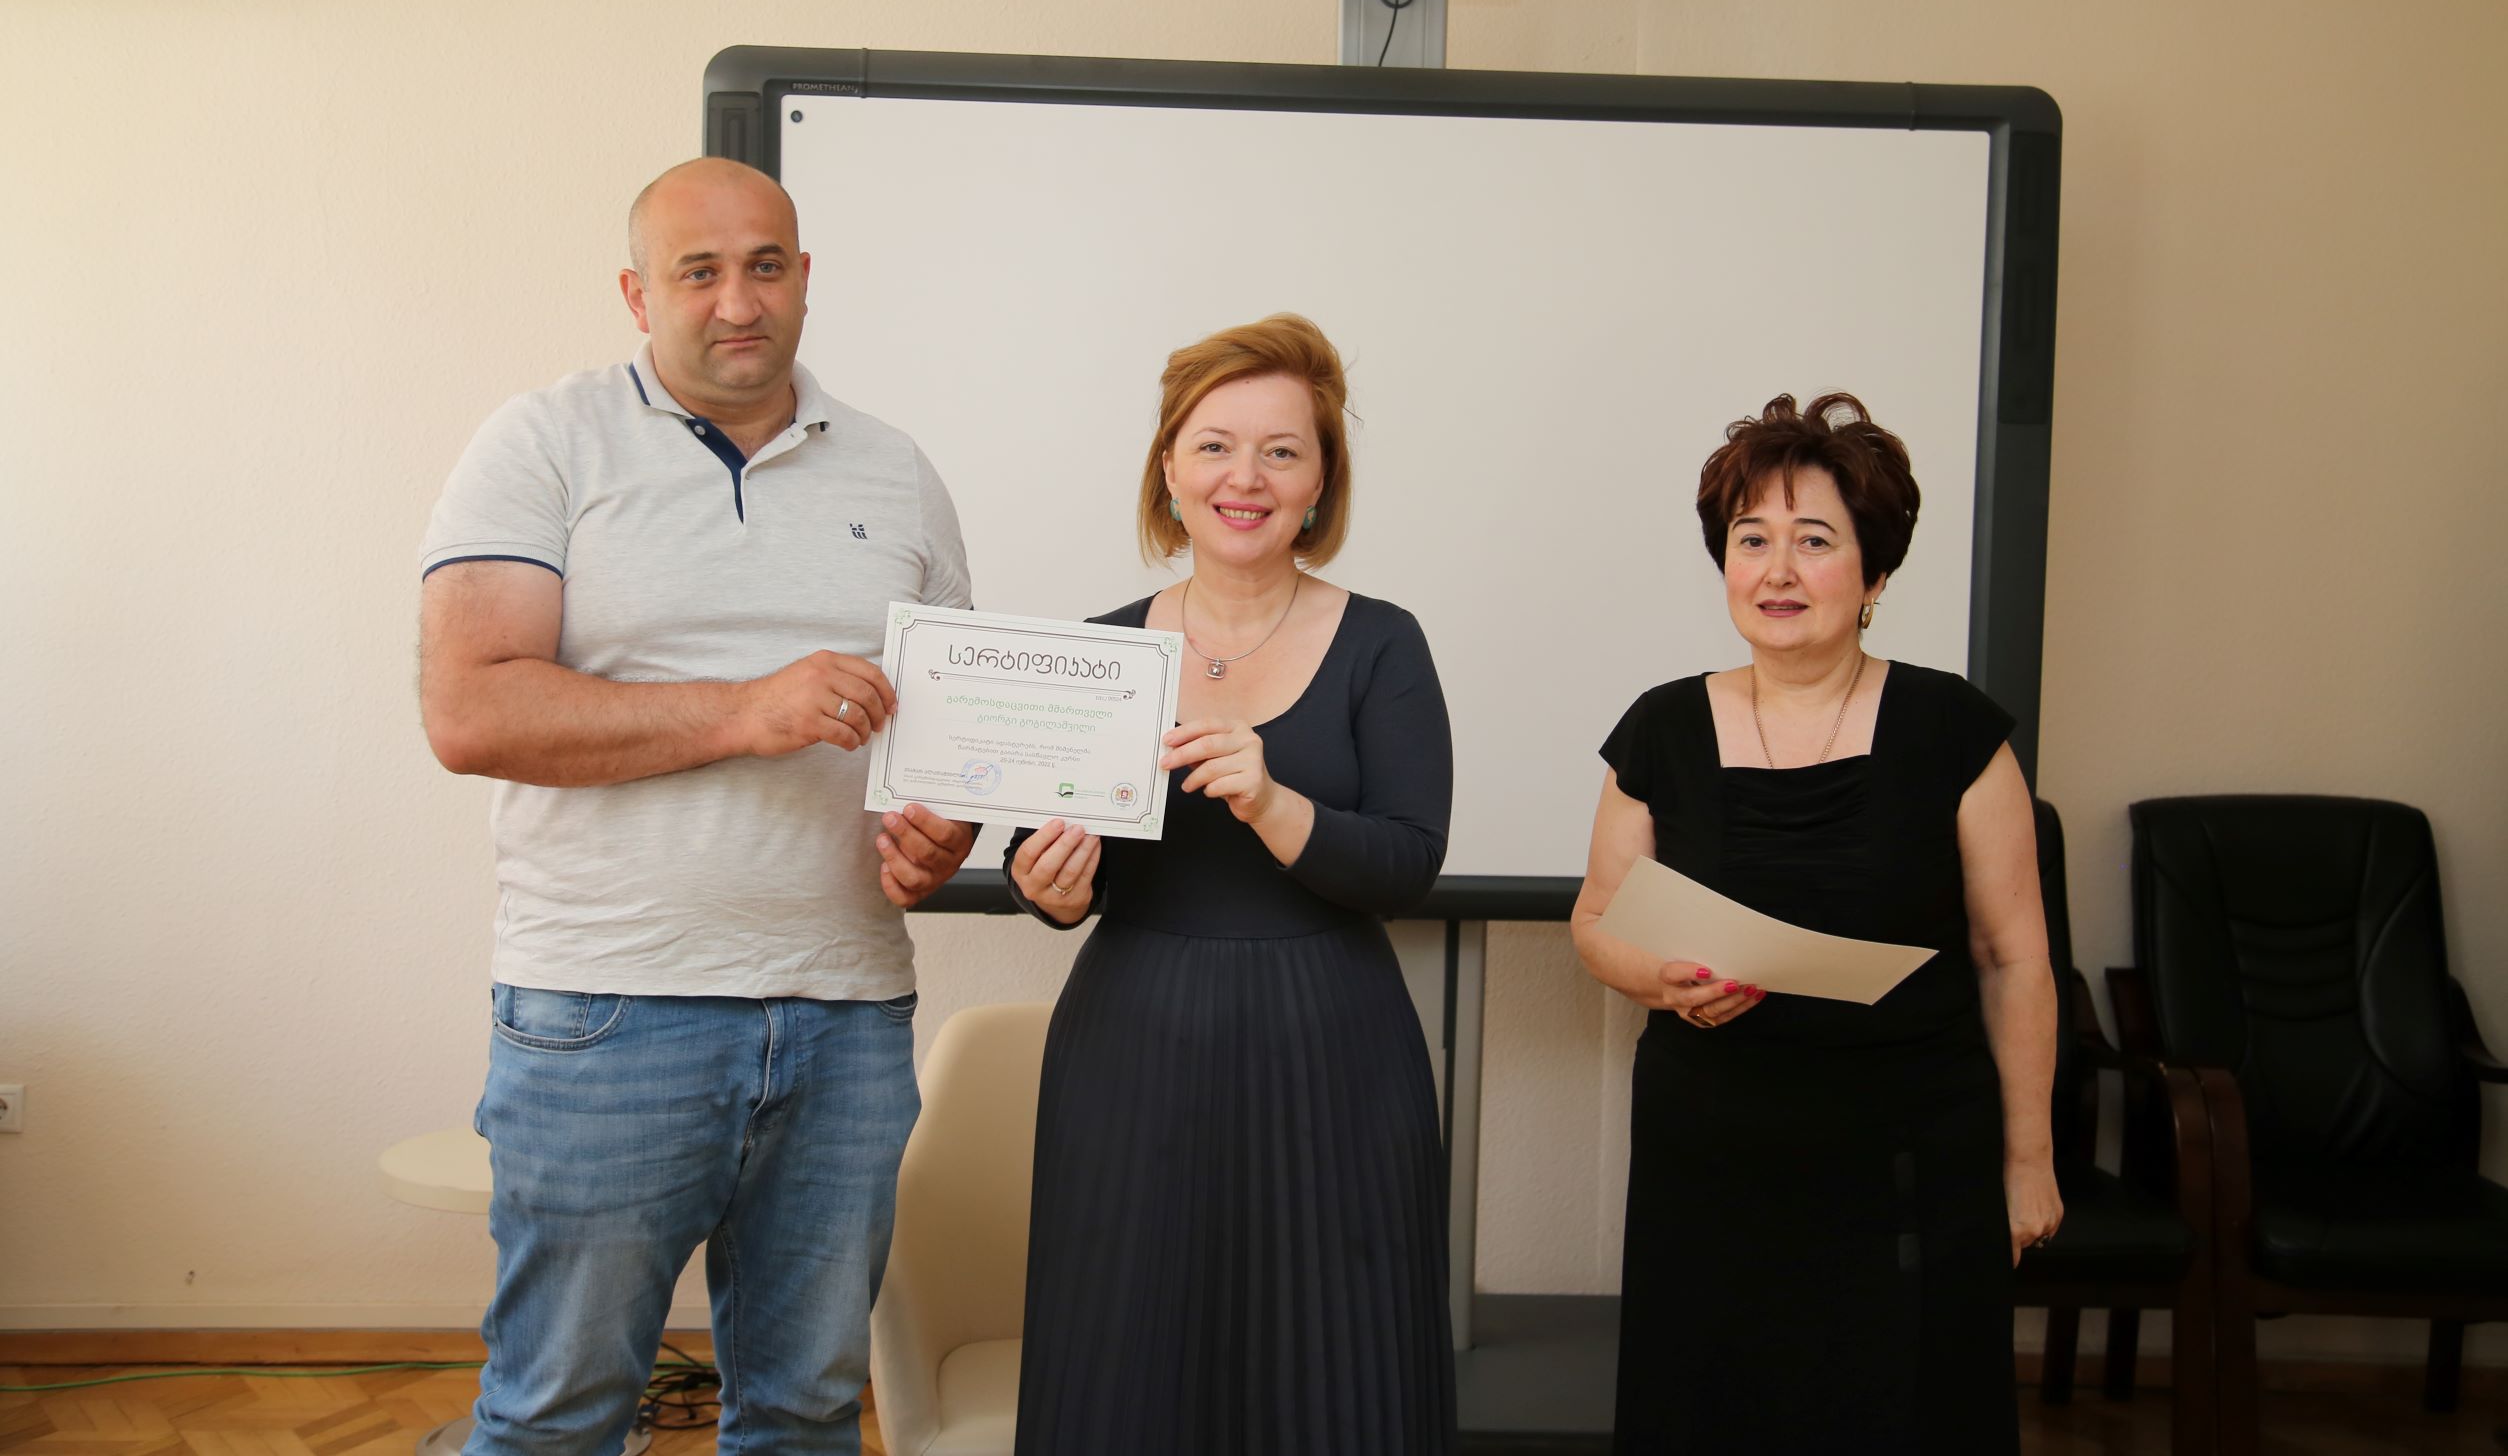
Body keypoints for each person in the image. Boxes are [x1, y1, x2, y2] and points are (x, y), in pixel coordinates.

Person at [416, 157, 978, 1456]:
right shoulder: (542, 443)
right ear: (637, 294)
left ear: (804, 278)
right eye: (699, 272)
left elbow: (946, 736)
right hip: (610, 1008)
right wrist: (742, 711)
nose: (739, 301)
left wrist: (942, 832)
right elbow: (470, 709)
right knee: (555, 1417)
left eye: (766, 266)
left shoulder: (896, 472)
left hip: (847, 1016)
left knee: (806, 1414)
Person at [1569, 392, 2060, 1455]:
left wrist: (2029, 1159)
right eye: (1752, 539)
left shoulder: (1953, 730)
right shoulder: (1661, 726)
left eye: (1815, 540)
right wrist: (1656, 980)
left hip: (1908, 1154)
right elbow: (1598, 918)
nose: (1777, 570)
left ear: (1874, 575)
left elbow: (2012, 956)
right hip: (1714, 1153)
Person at [1004, 314, 1458, 1455]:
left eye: (1281, 451)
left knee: (1336, 1375)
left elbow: (1409, 862)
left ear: (1320, 483)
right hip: (1132, 1050)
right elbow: (1038, 859)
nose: (1243, 478)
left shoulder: (1384, 643)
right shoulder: (1101, 649)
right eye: (1214, 446)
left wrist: (1271, 801)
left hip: (1335, 1053)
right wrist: (1049, 887)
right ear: (1170, 468)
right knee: (1125, 1365)